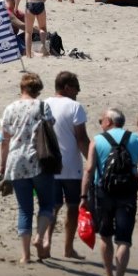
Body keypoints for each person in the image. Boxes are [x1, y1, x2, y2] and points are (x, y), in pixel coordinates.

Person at [80, 108, 138, 276]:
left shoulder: (97, 140)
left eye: (102, 119)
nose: (101, 122)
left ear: (108, 121)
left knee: (106, 236)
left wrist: (83, 197)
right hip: (128, 193)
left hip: (103, 193)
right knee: (124, 240)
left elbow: (89, 170)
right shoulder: (135, 140)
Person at [0, 72, 56, 264]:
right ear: (38, 90)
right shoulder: (42, 106)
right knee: (47, 204)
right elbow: (50, 130)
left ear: (21, 88)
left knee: (24, 209)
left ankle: (25, 256)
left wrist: (2, 166)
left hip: (16, 161)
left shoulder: (10, 108)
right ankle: (40, 236)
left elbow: (4, 140)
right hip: (38, 159)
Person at [46, 72, 91, 259]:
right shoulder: (75, 107)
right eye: (75, 87)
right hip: (71, 167)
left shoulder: (44, 104)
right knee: (72, 207)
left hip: (49, 165)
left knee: (51, 207)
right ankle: (68, 249)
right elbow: (81, 139)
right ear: (66, 87)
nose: (78, 92)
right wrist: (93, 161)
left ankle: (46, 245)